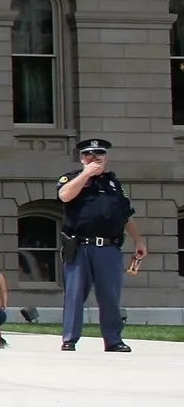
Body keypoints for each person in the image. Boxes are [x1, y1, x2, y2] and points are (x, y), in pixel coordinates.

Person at [57, 136, 146, 352]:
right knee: (75, 294)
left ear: (106, 157)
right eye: (88, 154)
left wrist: (138, 240)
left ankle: (113, 340)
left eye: (99, 154)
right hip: (81, 247)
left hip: (109, 247)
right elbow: (64, 196)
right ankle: (70, 339)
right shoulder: (72, 178)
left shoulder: (113, 183)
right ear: (81, 158)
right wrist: (86, 174)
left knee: (110, 296)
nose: (94, 157)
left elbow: (126, 214)